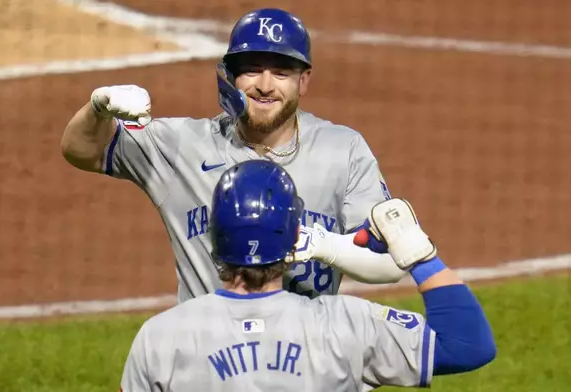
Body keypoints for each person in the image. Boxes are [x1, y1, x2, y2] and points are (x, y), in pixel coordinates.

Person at [60, 7, 409, 303]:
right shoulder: (180, 145)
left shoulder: (342, 150)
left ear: (303, 81)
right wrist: (98, 108)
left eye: (281, 72)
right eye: (252, 69)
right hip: (208, 362)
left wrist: (324, 245)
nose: (265, 85)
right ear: (229, 76)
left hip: (305, 363)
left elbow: (391, 260)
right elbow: (82, 151)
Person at [119, 160, 497, 391]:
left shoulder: (161, 337)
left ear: (214, 235)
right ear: (294, 235)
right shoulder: (346, 325)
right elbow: (469, 346)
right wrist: (419, 254)